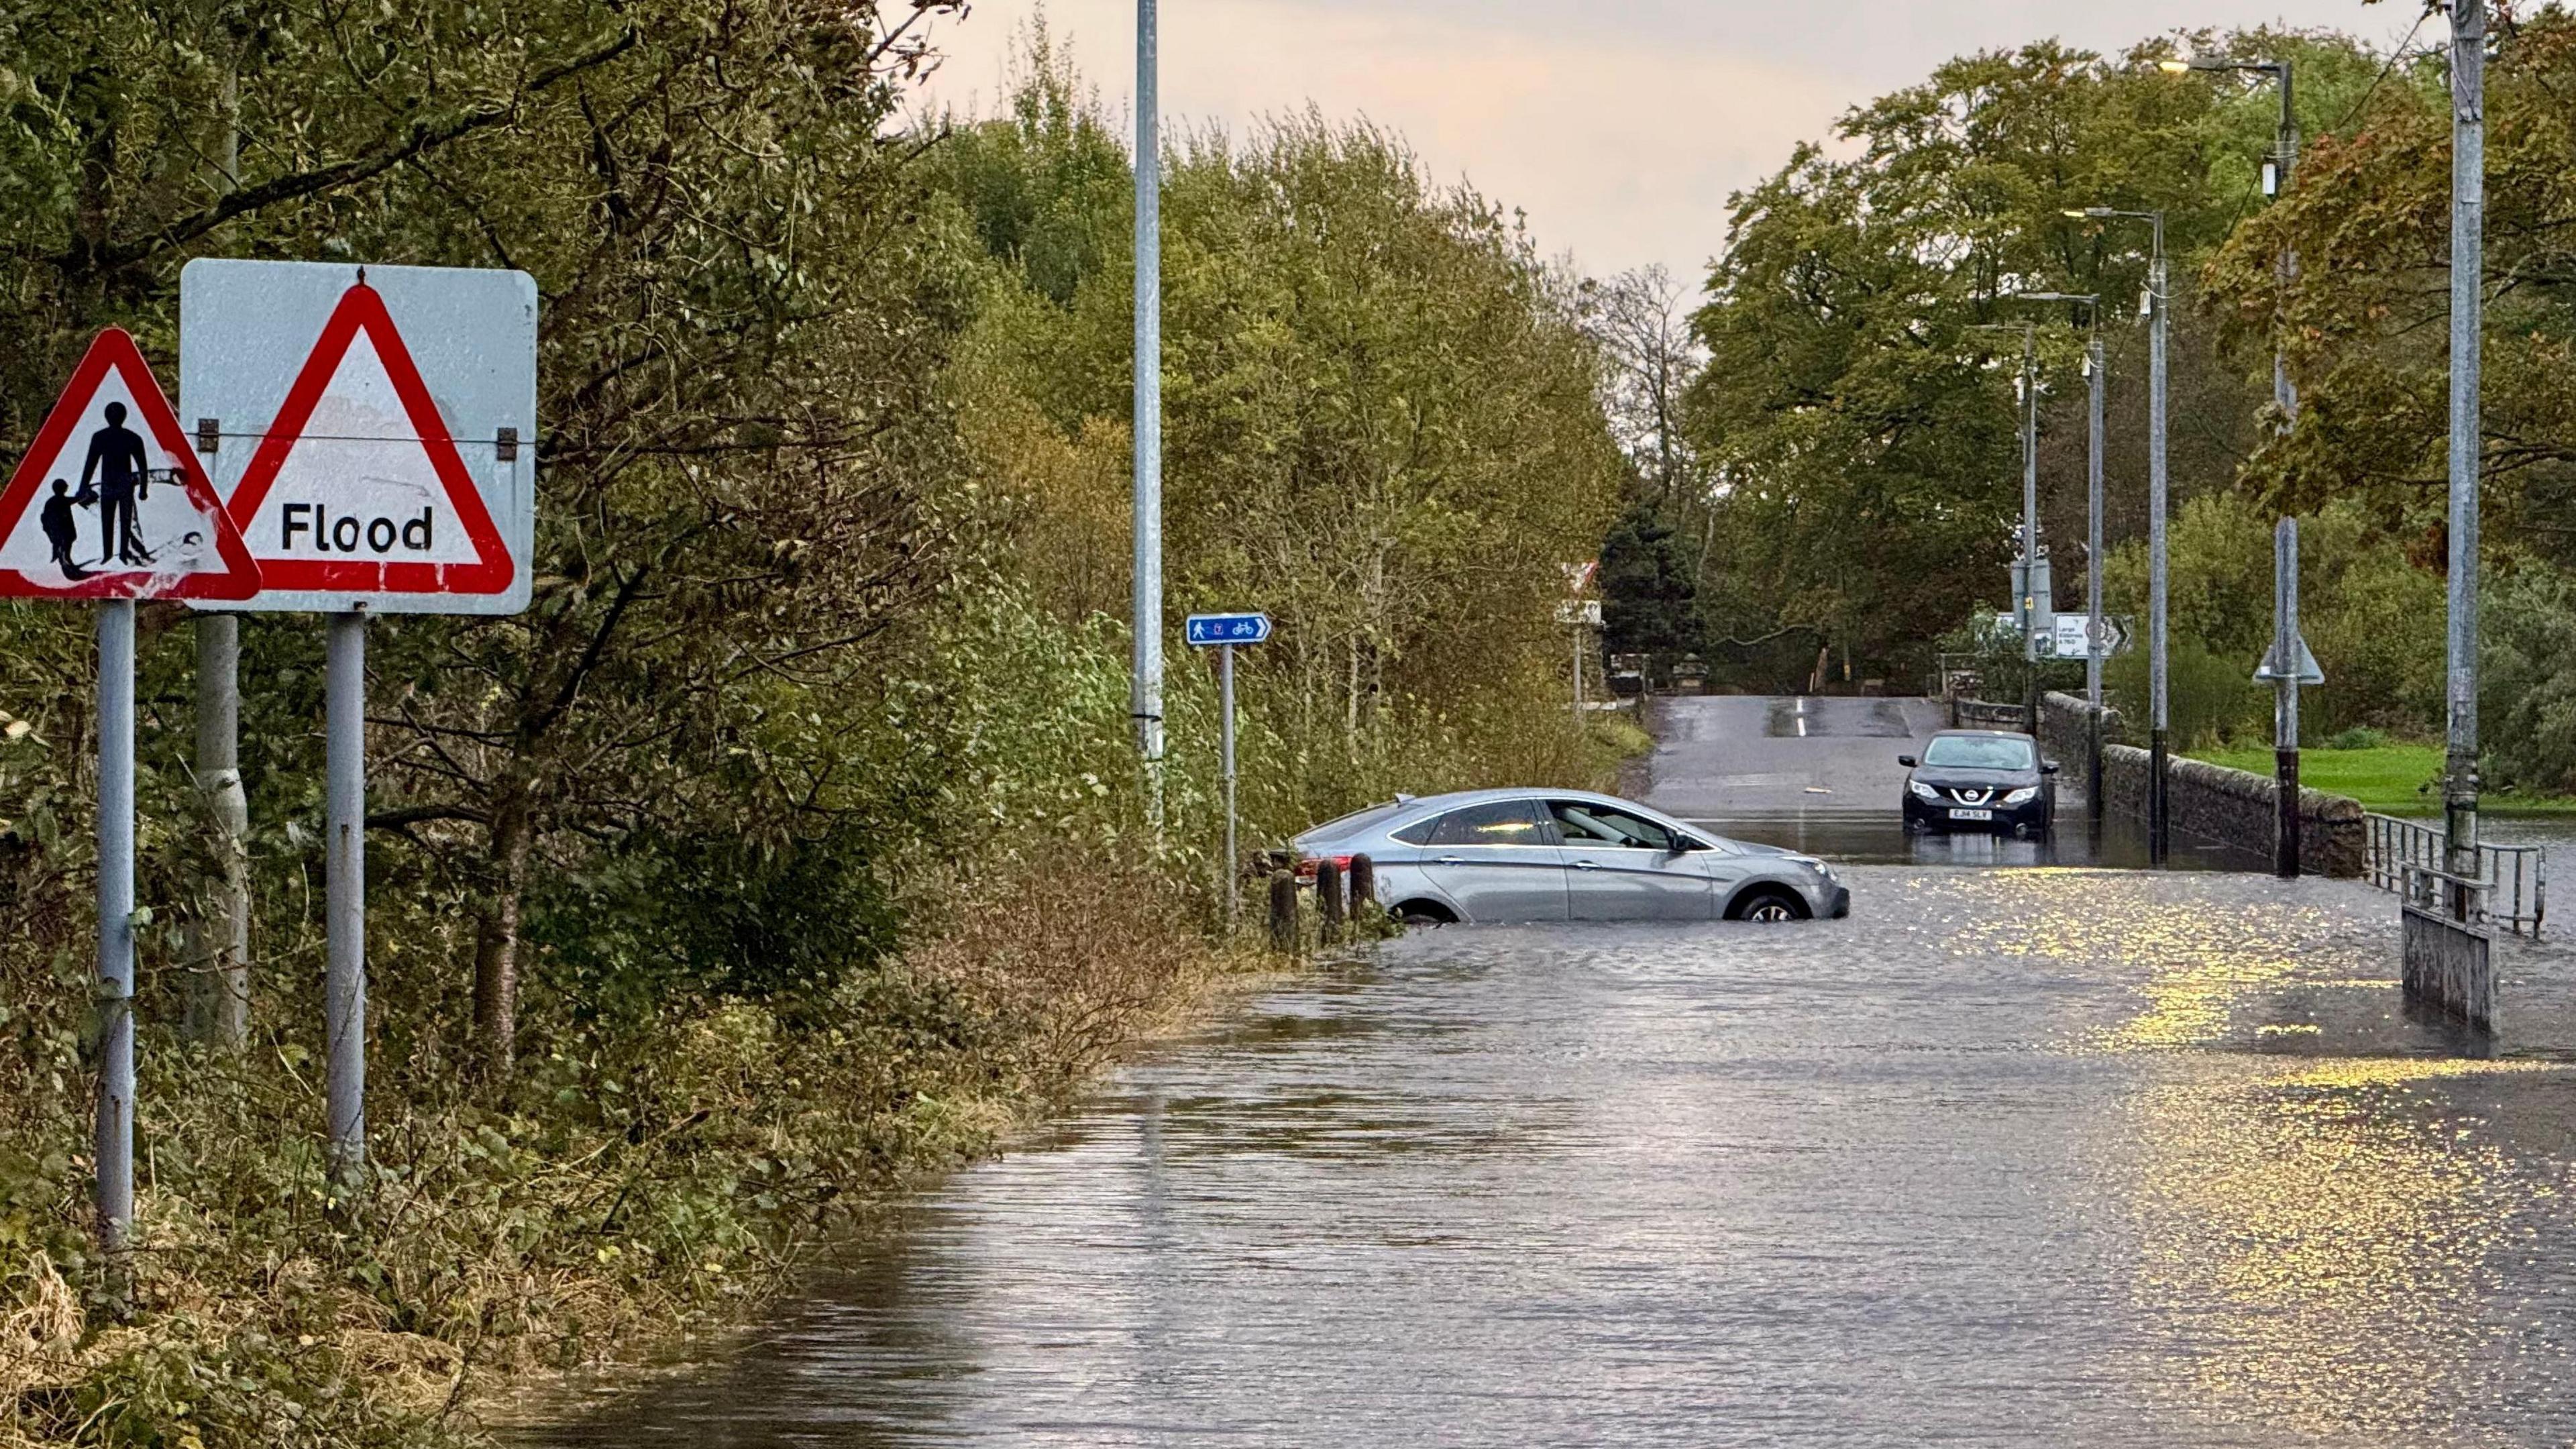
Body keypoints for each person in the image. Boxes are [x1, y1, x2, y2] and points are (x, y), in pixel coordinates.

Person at [78, 401, 150, 568]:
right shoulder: (109, 437)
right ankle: (110, 555)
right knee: (113, 521)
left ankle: (119, 555)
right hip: (115, 485)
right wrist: (83, 487)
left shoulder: (125, 438)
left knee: (119, 521)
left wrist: (143, 490)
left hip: (118, 485)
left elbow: (142, 466)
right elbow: (91, 463)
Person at [39, 478, 91, 580]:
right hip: (62, 532)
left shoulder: (52, 501)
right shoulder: (59, 500)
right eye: (65, 486)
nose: (67, 487)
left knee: (65, 550)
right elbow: (74, 500)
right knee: (65, 552)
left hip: (58, 532)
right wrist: (86, 495)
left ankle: (70, 568)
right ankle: (70, 571)